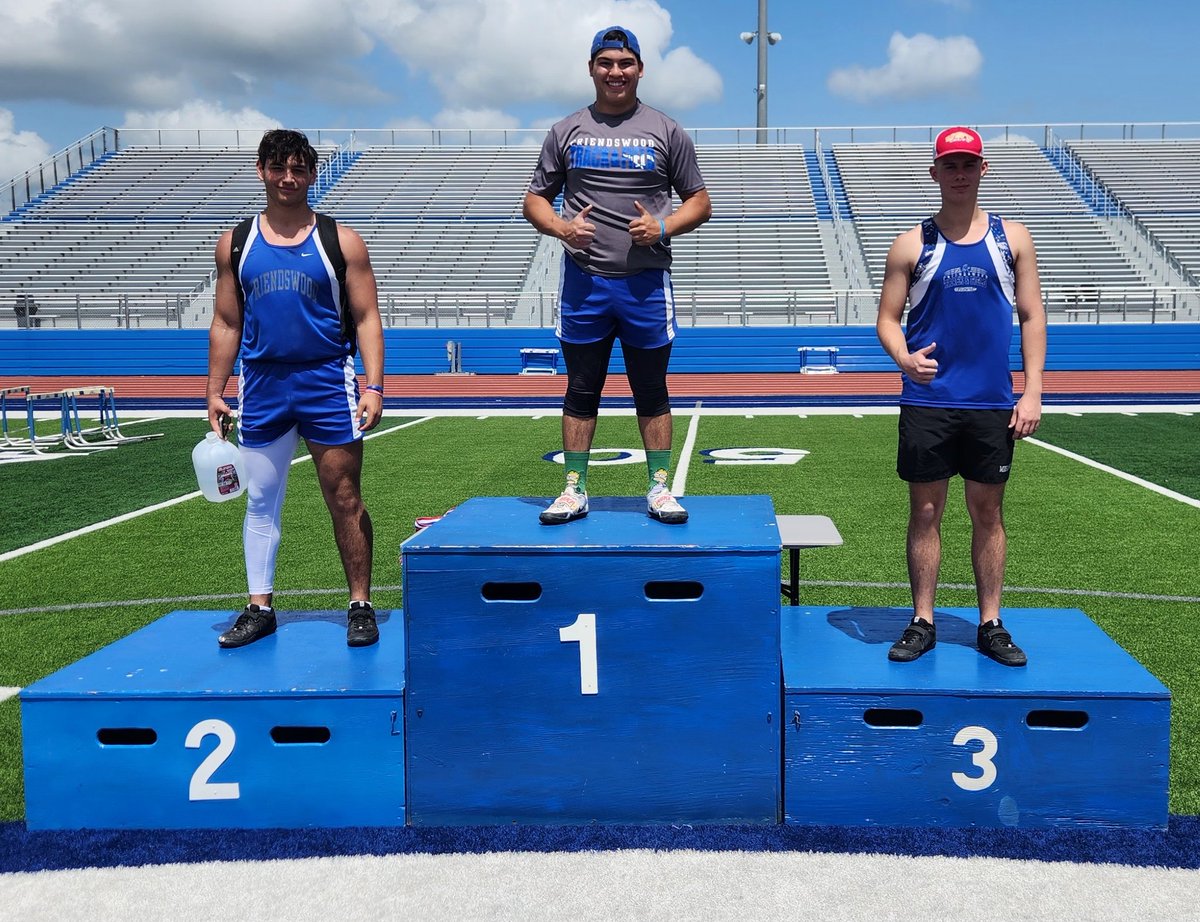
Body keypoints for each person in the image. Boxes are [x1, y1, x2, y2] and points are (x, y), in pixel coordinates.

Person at [523, 25, 712, 526]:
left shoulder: (666, 130)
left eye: (625, 63)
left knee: (650, 387)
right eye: (606, 63)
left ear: (640, 69)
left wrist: (663, 225)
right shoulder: (565, 130)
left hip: (645, 283)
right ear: (591, 69)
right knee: (582, 388)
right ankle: (574, 488)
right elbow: (533, 199)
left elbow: (701, 200)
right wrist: (563, 229)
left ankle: (659, 487)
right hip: (585, 283)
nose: (615, 72)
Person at [206, 129, 386, 649]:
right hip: (262, 385)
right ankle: (259, 607)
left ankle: (360, 604)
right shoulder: (236, 243)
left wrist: (373, 385)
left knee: (345, 496)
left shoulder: (340, 240)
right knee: (260, 500)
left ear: (312, 174)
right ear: (261, 170)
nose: (289, 178)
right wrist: (215, 390)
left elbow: (368, 317)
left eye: (299, 169)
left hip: (327, 379)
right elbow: (225, 322)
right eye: (279, 167)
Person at [875, 126, 1046, 667]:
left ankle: (990, 622)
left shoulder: (1012, 238)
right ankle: (922, 620)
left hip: (992, 403)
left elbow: (1032, 314)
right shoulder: (911, 243)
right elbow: (887, 318)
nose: (959, 173)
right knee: (925, 511)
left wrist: (1033, 388)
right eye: (949, 164)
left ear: (983, 169)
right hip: (928, 402)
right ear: (935, 173)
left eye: (968, 163)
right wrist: (903, 359)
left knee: (987, 512)